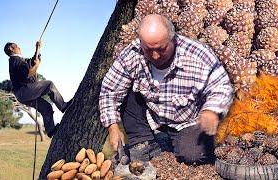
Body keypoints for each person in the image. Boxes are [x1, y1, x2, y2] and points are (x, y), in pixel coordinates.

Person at [99, 14, 234, 164]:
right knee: (125, 87)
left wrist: (211, 110)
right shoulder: (132, 53)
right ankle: (144, 141)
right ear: (141, 43)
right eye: (148, 50)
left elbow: (221, 85)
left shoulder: (198, 55)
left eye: (161, 49)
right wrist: (112, 126)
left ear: (173, 39)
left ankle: (185, 139)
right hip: (151, 114)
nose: (155, 56)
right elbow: (109, 90)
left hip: (186, 120)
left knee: (193, 155)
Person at [4, 41, 73, 138]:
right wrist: (37, 65)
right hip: (24, 91)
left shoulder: (17, 61)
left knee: (46, 107)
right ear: (11, 49)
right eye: (16, 46)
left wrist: (37, 49)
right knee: (49, 84)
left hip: (22, 95)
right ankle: (63, 106)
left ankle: (50, 131)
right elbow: (28, 74)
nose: (19, 47)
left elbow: (31, 62)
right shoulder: (15, 60)